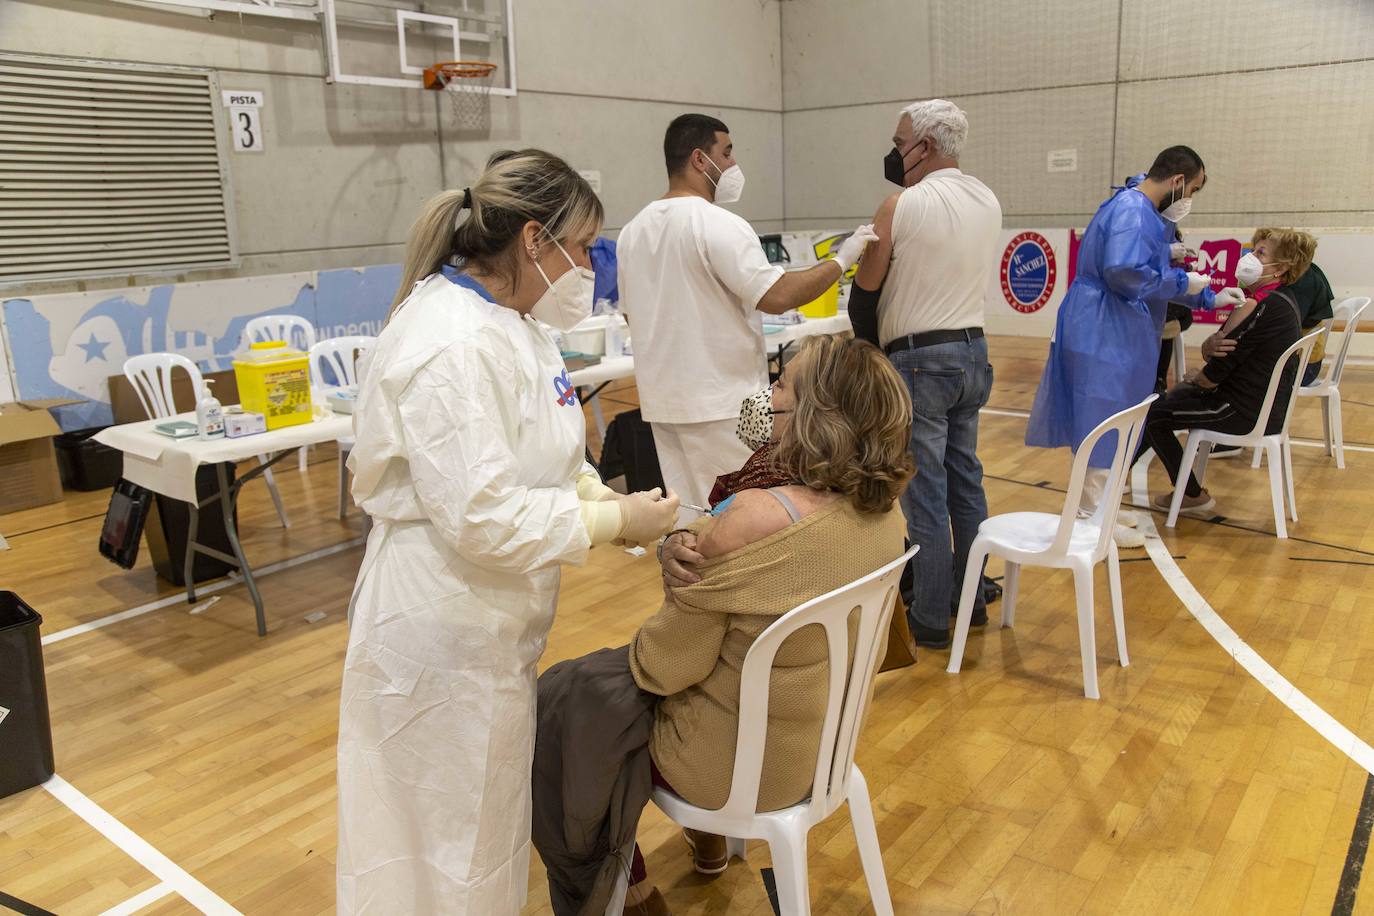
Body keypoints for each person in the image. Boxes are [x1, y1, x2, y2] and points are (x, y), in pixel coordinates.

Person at [337, 150, 680, 914]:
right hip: (437, 631)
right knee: (436, 852)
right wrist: (613, 520)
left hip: (488, 629)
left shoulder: (514, 326)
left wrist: (606, 500)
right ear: (534, 240)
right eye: (584, 246)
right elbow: (481, 517)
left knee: (479, 840)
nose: (590, 266)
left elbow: (547, 454)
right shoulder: (450, 341)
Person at [535, 335, 914, 916]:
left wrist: (676, 572)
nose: (769, 395)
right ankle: (706, 846)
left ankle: (630, 892)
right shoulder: (886, 513)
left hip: (732, 768)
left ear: (814, 411)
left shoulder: (756, 515)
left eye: (782, 384)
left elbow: (664, 667)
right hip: (820, 751)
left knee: (565, 700)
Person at [617, 114, 878, 519]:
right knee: (742, 514)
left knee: (690, 516)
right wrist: (842, 258)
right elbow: (777, 296)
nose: (735, 163)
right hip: (722, 402)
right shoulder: (717, 222)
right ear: (701, 159)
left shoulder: (632, 232)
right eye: (728, 152)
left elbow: (634, 319)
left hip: (663, 402)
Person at [1025, 146, 1245, 547]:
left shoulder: (1141, 211)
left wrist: (1208, 296)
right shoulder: (1133, 209)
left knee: (1120, 417)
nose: (1190, 200)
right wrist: (1184, 282)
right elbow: (1126, 273)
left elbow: (1147, 273)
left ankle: (1102, 508)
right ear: (1177, 181)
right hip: (1103, 328)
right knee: (1102, 419)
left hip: (1116, 327)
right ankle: (1090, 518)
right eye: (1193, 189)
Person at [845, 98, 1003, 649]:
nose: (894, 152)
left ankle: (935, 615)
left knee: (925, 492)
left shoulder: (900, 205)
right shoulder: (988, 199)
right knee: (967, 481)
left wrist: (868, 350)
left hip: (919, 360)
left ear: (925, 147)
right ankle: (974, 595)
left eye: (899, 141)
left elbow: (866, 293)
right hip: (973, 353)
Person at [1143, 228, 1312, 512]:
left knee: (1152, 414)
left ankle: (1190, 494)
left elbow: (1217, 369)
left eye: (1260, 253)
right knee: (1169, 399)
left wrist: (1199, 378)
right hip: (1250, 404)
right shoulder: (1268, 300)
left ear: (1280, 268)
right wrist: (1207, 355)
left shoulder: (1266, 306)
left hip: (1243, 411)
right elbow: (1216, 348)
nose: (1249, 257)